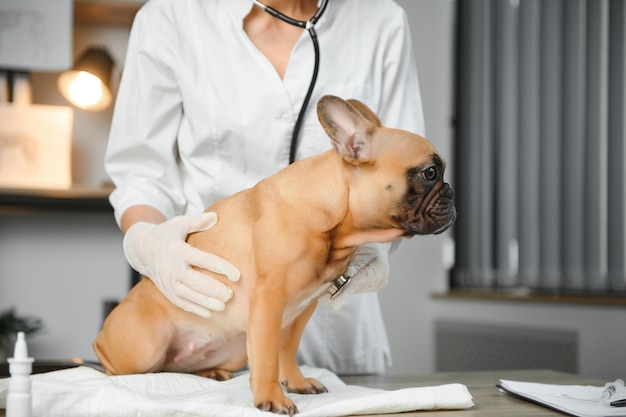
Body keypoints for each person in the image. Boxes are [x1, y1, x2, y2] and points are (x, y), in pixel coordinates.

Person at [105, 0, 424, 375]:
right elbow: (141, 172)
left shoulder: (382, 20)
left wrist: (374, 250)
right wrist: (153, 244)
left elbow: (410, 176)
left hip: (335, 321)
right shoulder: (169, 17)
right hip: (209, 325)